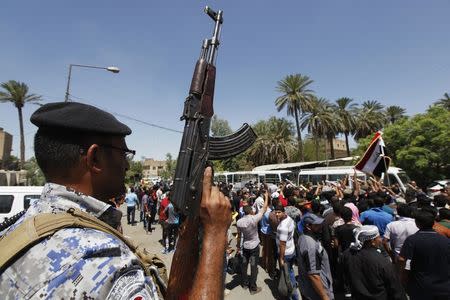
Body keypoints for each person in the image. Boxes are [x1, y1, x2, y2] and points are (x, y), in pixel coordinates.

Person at [0, 102, 231, 299]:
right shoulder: (104, 260)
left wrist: (189, 231)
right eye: (124, 153)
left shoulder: (19, 228)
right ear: (95, 157)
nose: (128, 165)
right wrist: (215, 232)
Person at [342, 225, 406, 300]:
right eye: (378, 237)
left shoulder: (346, 255)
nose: (380, 240)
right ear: (372, 241)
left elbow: (343, 278)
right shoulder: (381, 260)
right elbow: (395, 288)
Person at [398, 209, 450, 300]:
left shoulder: (412, 240)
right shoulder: (445, 240)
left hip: (421, 286)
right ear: (434, 223)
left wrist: (402, 277)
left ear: (417, 223)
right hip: (444, 286)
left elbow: (401, 260)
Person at [236, 190, 269, 295]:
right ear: (250, 211)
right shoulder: (254, 219)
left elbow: (239, 236)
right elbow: (264, 209)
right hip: (254, 247)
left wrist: (238, 246)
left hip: (245, 246)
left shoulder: (239, 222)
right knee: (254, 267)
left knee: (244, 265)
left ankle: (245, 284)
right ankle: (253, 288)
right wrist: (266, 197)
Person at [297, 214, 334, 300]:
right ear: (308, 226)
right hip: (316, 293)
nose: (320, 227)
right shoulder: (310, 245)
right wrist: (325, 297)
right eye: (317, 225)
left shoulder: (304, 237)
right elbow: (313, 274)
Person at [275, 204, 300, 300]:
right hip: (291, 250)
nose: (277, 214)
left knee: (287, 275)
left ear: (284, 213)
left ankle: (294, 296)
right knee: (290, 271)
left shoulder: (283, 227)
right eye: (276, 212)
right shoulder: (289, 219)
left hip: (286, 254)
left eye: (279, 212)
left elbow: (282, 244)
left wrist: (281, 258)